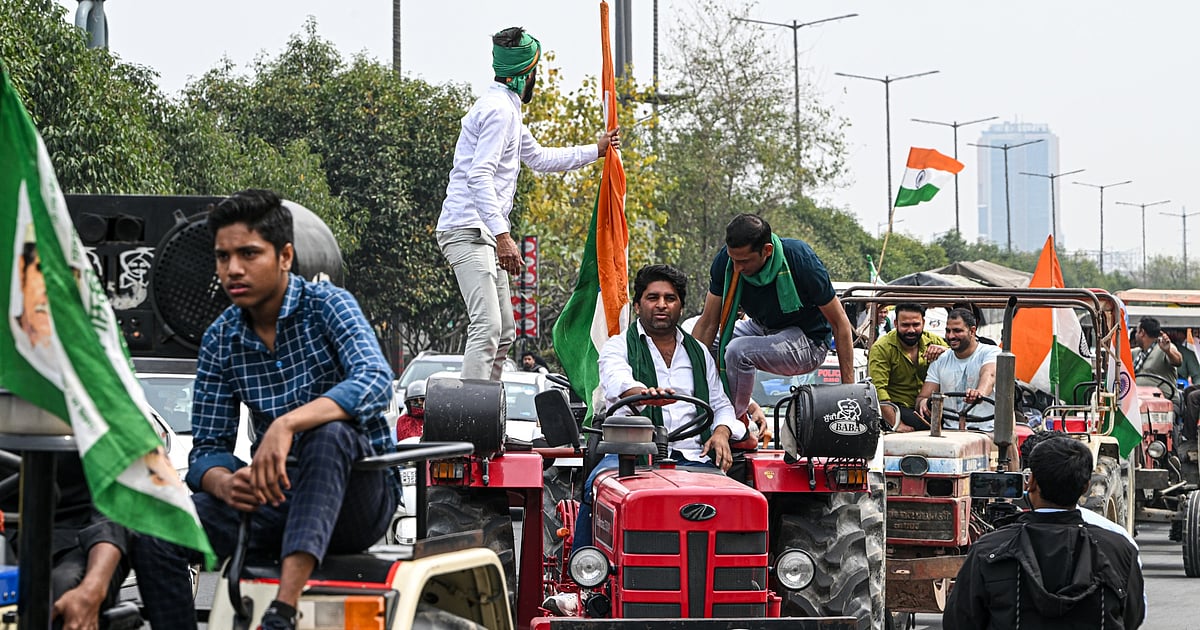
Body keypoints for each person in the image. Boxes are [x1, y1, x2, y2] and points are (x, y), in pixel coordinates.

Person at [132, 190, 398, 630]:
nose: (233, 269)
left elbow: (374, 382)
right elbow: (207, 450)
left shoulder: (330, 306)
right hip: (279, 498)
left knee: (327, 435)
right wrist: (223, 482)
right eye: (223, 256)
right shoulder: (220, 338)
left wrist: (288, 425)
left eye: (249, 254)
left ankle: (283, 612)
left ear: (285, 256)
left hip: (358, 498)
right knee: (157, 527)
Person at [437, 26, 620, 381]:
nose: (537, 79)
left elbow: (538, 158)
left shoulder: (508, 109)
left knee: (505, 330)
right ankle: (469, 421)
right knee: (488, 327)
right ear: (526, 73)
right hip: (467, 231)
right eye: (536, 72)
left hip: (484, 234)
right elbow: (479, 176)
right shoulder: (498, 112)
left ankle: (485, 417)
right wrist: (504, 236)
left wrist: (596, 150)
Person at [574, 264, 747, 551]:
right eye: (653, 298)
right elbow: (618, 378)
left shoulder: (699, 353)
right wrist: (641, 394)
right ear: (638, 304)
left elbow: (720, 404)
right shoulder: (619, 347)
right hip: (630, 457)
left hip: (694, 459)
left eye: (670, 298)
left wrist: (722, 431)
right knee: (596, 488)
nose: (662, 305)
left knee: (738, 501)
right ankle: (584, 574)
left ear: (680, 306)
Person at [944, 436, 1145, 629]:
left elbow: (960, 621)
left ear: (1030, 482)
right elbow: (1131, 618)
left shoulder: (988, 550)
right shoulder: (1120, 550)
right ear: (1085, 488)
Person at [691, 214, 856, 423]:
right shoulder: (726, 262)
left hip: (808, 341)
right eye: (734, 260)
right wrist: (689, 386)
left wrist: (850, 393)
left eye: (744, 261)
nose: (737, 268)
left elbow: (840, 323)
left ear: (767, 250)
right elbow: (707, 324)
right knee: (699, 344)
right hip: (762, 328)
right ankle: (721, 406)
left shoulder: (800, 259)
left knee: (738, 350)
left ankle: (732, 423)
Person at [0, 452, 131, 630]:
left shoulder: (103, 428)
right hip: (6, 531)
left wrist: (92, 588)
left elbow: (113, 513)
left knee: (60, 590)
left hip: (78, 537)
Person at [915, 308, 1001, 431]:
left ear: (972, 331)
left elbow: (989, 374)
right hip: (951, 431)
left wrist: (979, 393)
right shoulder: (940, 360)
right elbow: (923, 396)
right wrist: (923, 402)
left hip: (987, 430)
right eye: (948, 331)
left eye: (957, 331)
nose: (951, 336)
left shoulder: (990, 352)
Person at [867, 303, 948, 432]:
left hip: (929, 405)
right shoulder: (882, 348)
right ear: (896, 323)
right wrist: (897, 424)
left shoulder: (934, 341)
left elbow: (957, 358)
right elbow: (878, 391)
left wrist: (945, 351)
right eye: (905, 325)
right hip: (898, 408)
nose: (911, 330)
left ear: (923, 323)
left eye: (916, 325)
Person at [1132, 316, 1181, 400]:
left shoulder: (1164, 348)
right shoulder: (1135, 353)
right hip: (1138, 400)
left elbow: (1178, 361)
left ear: (1142, 332)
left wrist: (1168, 351)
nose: (1136, 335)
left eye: (1136, 332)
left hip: (1165, 401)